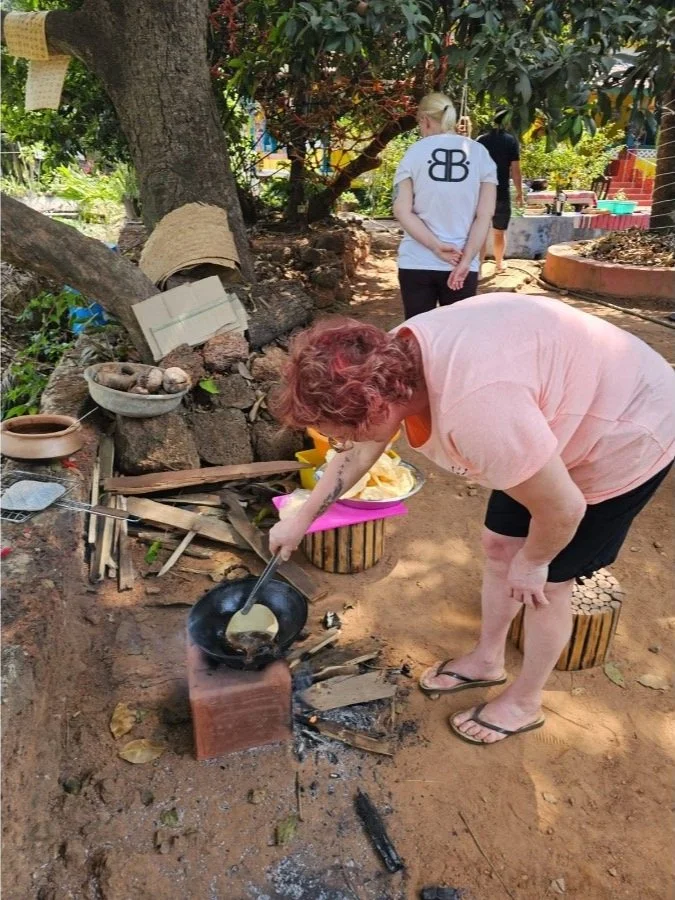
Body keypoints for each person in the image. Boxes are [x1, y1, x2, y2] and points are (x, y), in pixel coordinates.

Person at [269, 294, 675, 746]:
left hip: (627, 426)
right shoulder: (384, 363)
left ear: (377, 407)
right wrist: (302, 517)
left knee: (548, 584)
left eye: (340, 433)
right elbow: (361, 449)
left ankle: (525, 702)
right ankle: (486, 660)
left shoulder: (478, 415)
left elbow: (564, 509)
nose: (338, 442)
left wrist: (534, 562)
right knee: (500, 546)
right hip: (547, 413)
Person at [392, 92, 498, 319]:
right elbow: (485, 215)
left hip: (416, 262)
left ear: (424, 120)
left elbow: (401, 210)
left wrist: (435, 246)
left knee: (417, 334)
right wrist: (467, 259)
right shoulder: (480, 154)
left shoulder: (414, 153)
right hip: (461, 264)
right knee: (458, 335)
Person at [477, 108, 524, 275]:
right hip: (501, 193)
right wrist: (520, 192)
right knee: (499, 232)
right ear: (507, 121)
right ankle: (498, 264)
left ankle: (478, 268)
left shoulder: (481, 140)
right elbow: (515, 171)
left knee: (480, 232)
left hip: (482, 193)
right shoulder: (511, 141)